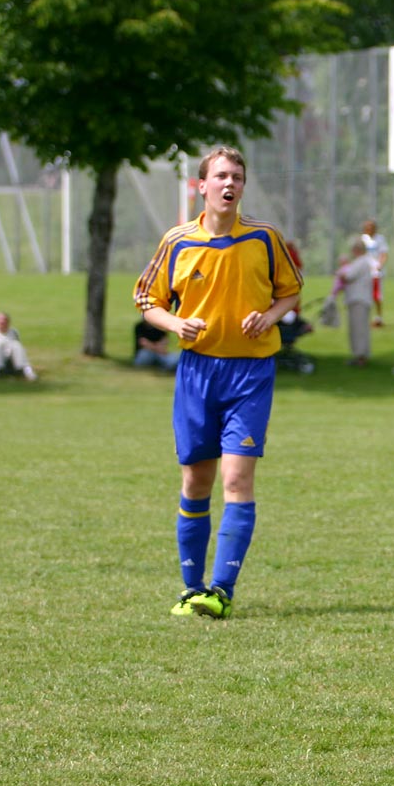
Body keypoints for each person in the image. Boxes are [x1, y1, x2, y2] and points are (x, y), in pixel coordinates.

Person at [133, 145, 303, 620]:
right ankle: (192, 589)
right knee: (195, 479)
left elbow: (291, 293)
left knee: (237, 477)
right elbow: (148, 299)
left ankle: (221, 591)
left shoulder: (265, 239)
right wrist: (175, 325)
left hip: (250, 373)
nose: (230, 184)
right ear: (201, 186)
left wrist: (268, 316)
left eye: (238, 177)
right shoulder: (178, 242)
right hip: (197, 373)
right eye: (222, 176)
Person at [333, 240, 375, 366]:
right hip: (359, 299)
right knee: (360, 329)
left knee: (358, 329)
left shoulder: (360, 262)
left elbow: (348, 276)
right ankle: (361, 355)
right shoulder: (364, 262)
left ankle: (360, 357)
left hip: (358, 300)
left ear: (357, 250)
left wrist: (339, 273)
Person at [360, 219, 388, 327]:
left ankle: (378, 318)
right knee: (364, 296)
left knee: (377, 296)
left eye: (372, 227)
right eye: (368, 227)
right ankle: (364, 318)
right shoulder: (363, 239)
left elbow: (384, 253)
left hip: (375, 272)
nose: (370, 229)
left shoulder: (380, 239)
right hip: (365, 272)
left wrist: (380, 265)